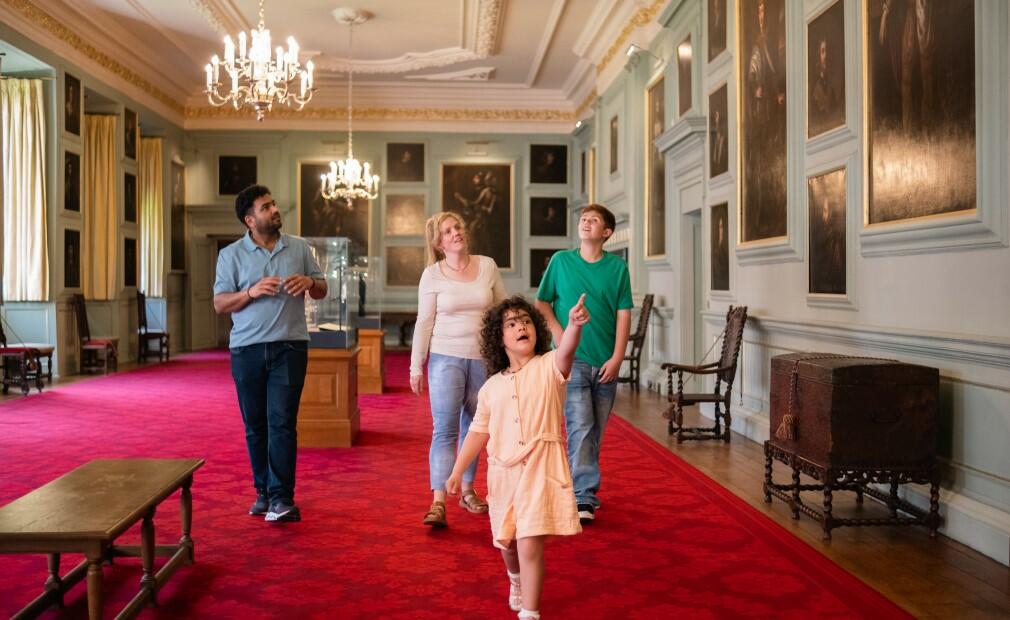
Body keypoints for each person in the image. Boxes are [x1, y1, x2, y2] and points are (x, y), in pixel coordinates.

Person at [446, 294, 588, 619]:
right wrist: (457, 470)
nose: (521, 326)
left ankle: (530, 613)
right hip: (503, 472)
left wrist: (575, 326)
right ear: (500, 337)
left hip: (541, 464)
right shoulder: (490, 388)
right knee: (508, 544)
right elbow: (478, 432)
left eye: (525, 320)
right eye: (511, 324)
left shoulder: (549, 365)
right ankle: (515, 577)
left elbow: (567, 351)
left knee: (528, 543)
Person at [213, 184, 327, 523]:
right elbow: (220, 303)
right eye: (266, 207)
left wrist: (309, 282)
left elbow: (322, 288)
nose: (274, 210)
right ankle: (263, 492)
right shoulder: (230, 255)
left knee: (282, 423)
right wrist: (250, 291)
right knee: (255, 426)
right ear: (250, 220)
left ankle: (281, 498)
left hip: (290, 347)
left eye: (274, 205)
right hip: (246, 350)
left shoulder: (300, 248)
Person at [535, 204, 632, 524]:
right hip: (571, 360)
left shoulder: (618, 268)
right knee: (581, 425)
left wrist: (618, 357)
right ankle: (583, 497)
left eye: (594, 220)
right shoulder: (562, 261)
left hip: (606, 362)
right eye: (583, 219)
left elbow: (623, 313)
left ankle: (580, 487)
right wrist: (560, 334)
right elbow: (542, 301)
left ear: (607, 233)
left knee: (595, 432)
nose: (586, 223)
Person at [411, 211, 507, 527]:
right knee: (445, 429)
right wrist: (416, 366)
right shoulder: (432, 274)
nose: (456, 233)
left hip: (483, 358)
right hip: (445, 357)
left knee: (475, 428)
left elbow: (502, 312)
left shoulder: (488, 266)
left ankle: (467, 490)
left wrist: (510, 358)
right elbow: (424, 322)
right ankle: (438, 501)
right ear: (439, 244)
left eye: (458, 228)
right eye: (448, 231)